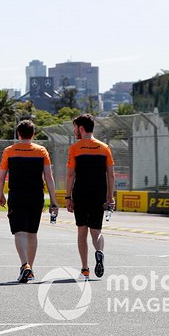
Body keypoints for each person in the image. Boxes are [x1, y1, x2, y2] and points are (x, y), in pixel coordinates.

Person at [0, 119, 58, 283]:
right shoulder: (41, 150)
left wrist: (0, 194)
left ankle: (25, 265)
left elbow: (1, 176)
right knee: (32, 233)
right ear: (33, 134)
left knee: (19, 231)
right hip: (36, 196)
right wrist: (53, 200)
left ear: (18, 134)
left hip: (17, 196)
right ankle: (30, 267)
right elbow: (49, 177)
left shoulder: (9, 150)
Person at [65, 113, 115, 279]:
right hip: (98, 193)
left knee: (82, 232)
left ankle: (85, 268)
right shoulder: (104, 147)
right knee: (97, 231)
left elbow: (71, 175)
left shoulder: (75, 148)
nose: (74, 131)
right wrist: (110, 196)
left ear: (81, 128)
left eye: (75, 128)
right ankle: (99, 252)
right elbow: (111, 175)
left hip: (80, 193)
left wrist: (67, 197)